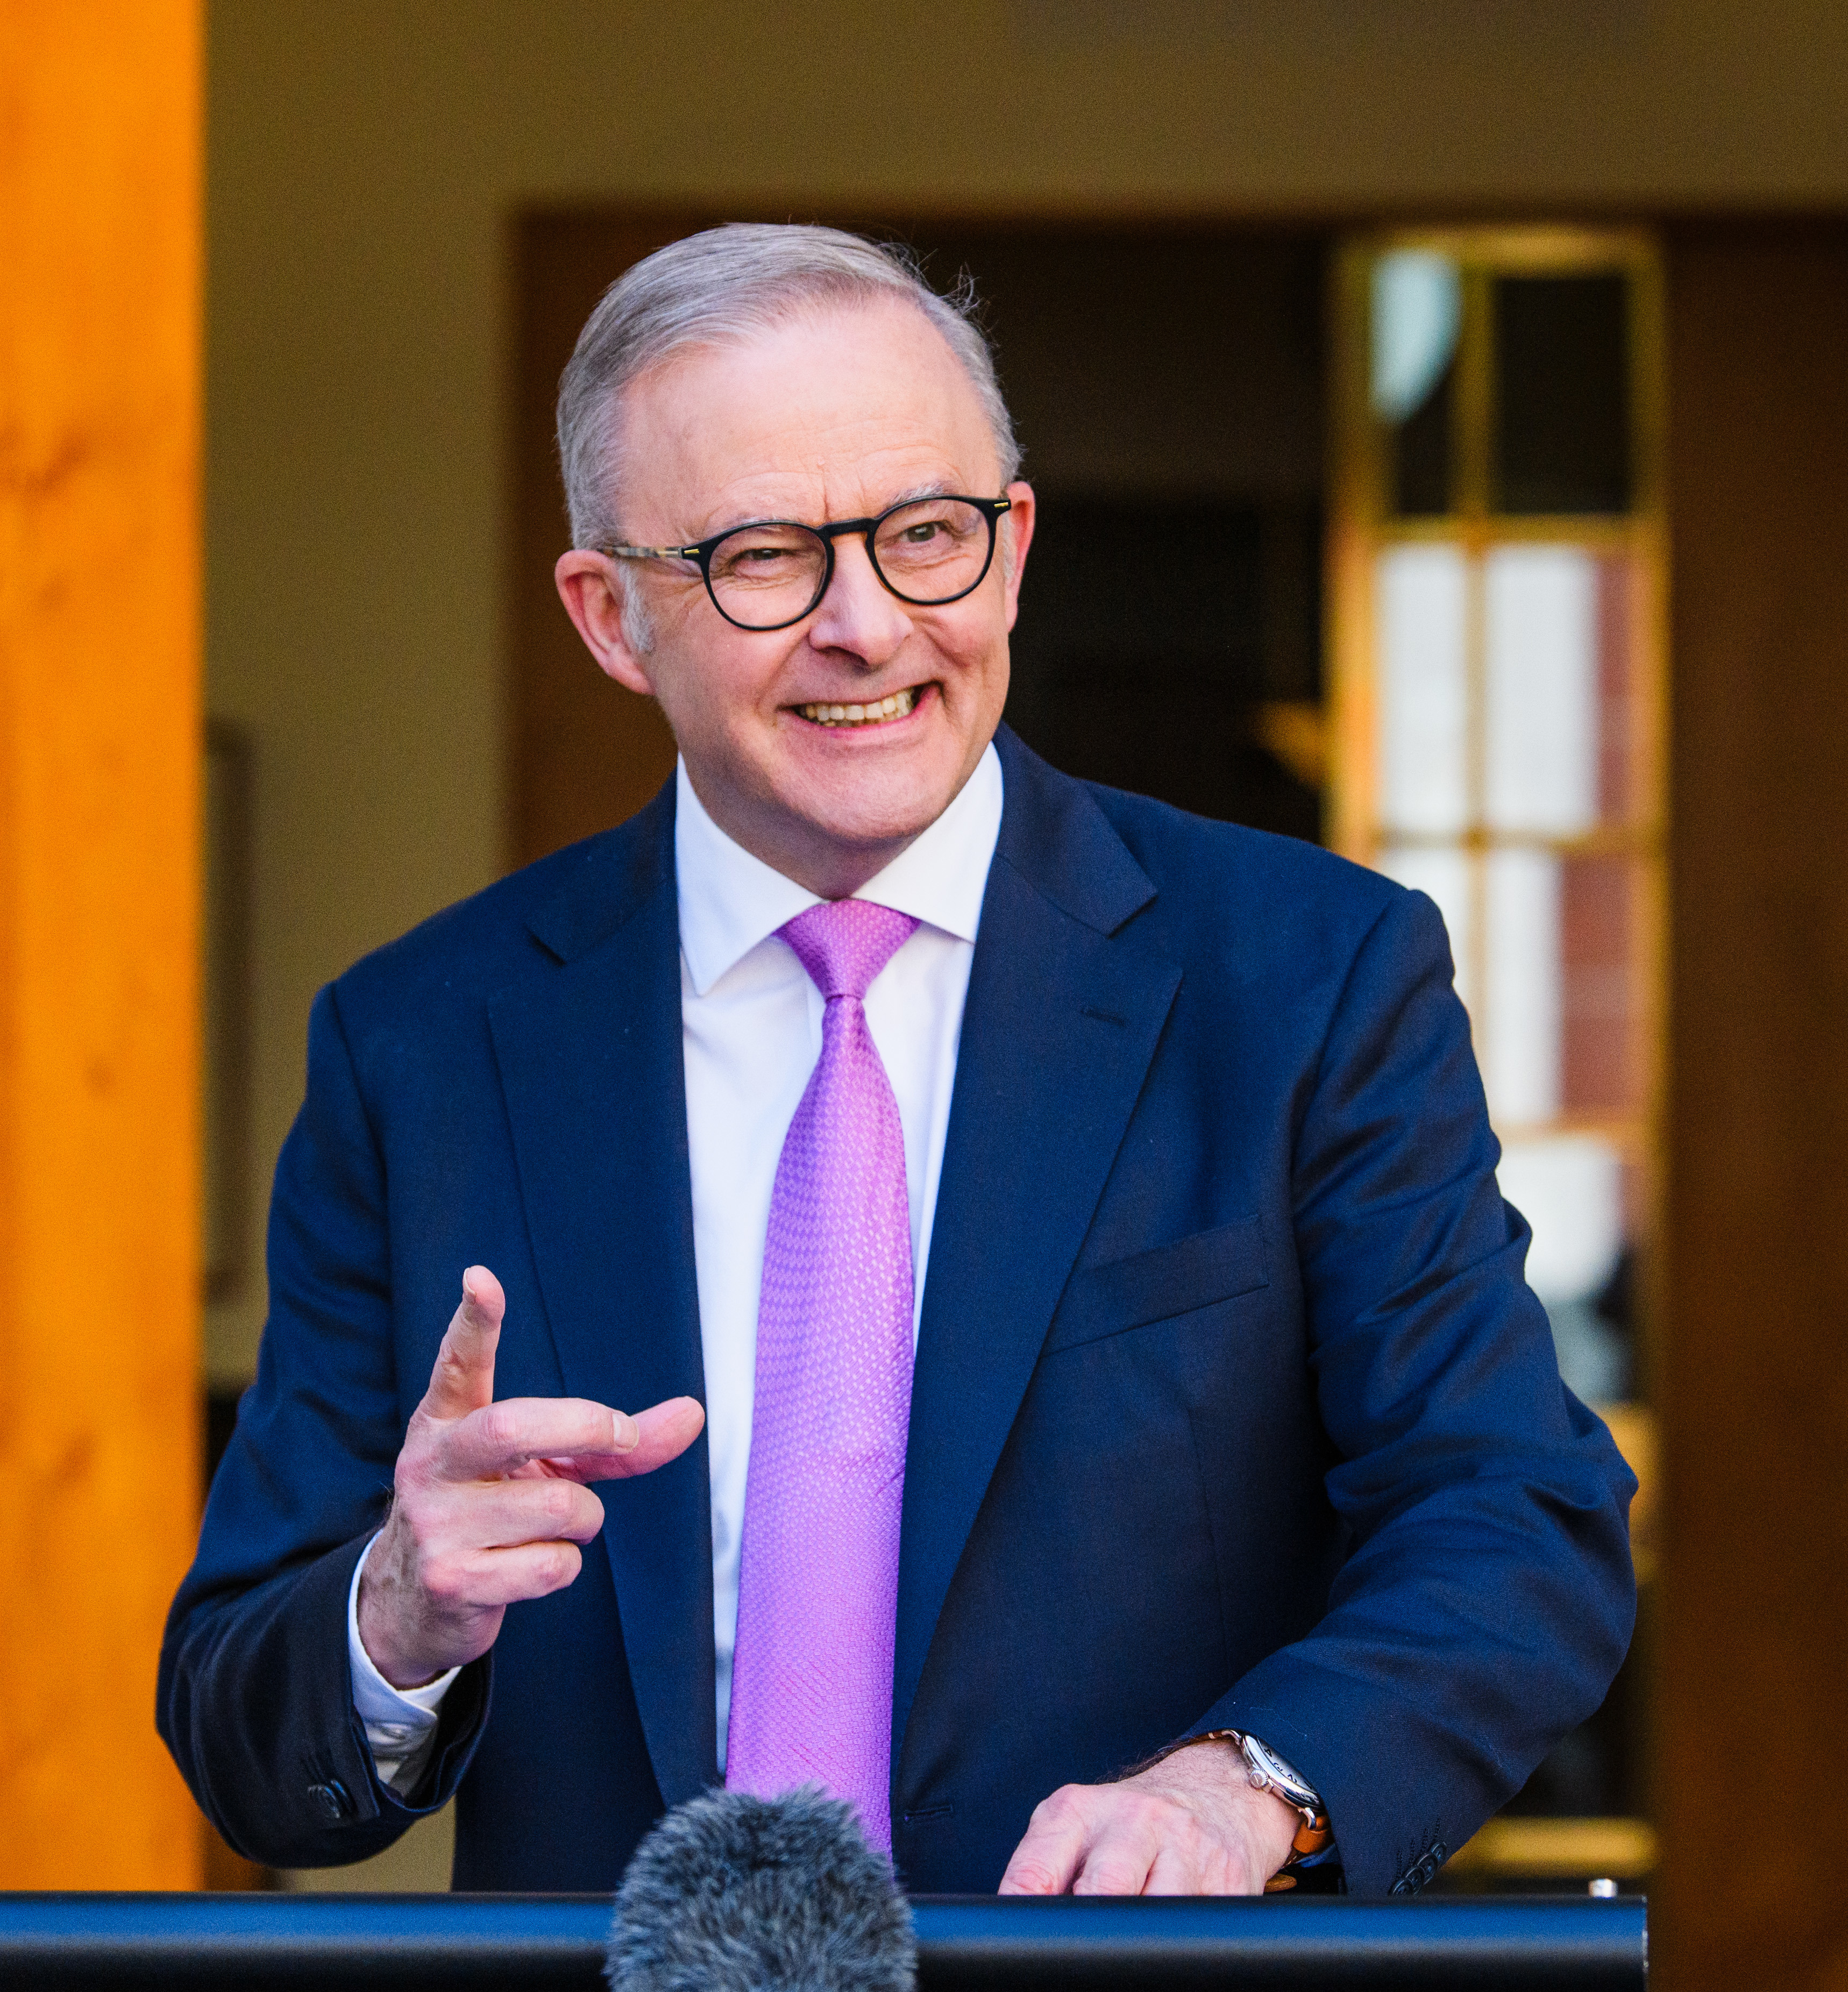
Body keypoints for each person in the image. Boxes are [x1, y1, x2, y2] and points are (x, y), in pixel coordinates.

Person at [159, 224, 1636, 1897]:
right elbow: (242, 1731)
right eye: (763, 557)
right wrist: (395, 1613)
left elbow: (1512, 1525)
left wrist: (1246, 1789)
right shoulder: (418, 1045)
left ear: (1010, 550)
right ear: (609, 616)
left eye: (924, 535)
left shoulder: (1304, 979)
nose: (865, 627)